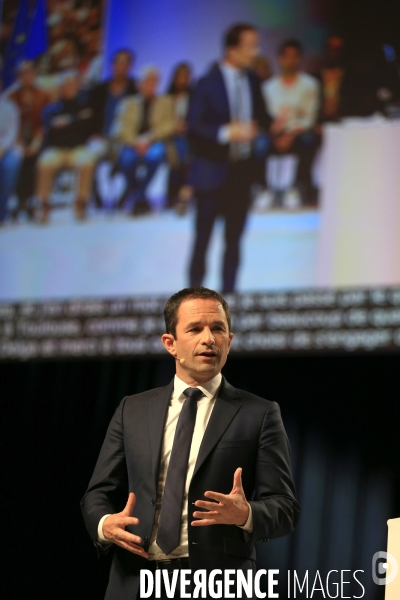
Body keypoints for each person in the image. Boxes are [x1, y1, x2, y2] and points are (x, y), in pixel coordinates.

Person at [81, 286, 300, 600]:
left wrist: (246, 514)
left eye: (218, 329)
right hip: (135, 581)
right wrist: (105, 524)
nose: (208, 338)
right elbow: (97, 493)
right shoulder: (133, 409)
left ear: (230, 341)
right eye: (195, 329)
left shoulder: (260, 413)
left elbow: (286, 507)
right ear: (170, 343)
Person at [187, 23, 271, 294]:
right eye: (251, 46)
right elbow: (194, 124)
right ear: (232, 50)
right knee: (203, 241)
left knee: (234, 241)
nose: (256, 51)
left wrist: (273, 124)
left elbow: (262, 116)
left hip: (241, 173)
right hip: (211, 172)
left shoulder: (253, 79)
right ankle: (193, 303)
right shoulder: (206, 82)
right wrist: (226, 131)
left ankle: (228, 297)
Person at [262, 39, 319, 207]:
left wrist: (291, 133)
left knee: (309, 141)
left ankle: (296, 187)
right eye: (286, 56)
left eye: (294, 57)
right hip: (274, 131)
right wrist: (276, 133)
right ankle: (265, 187)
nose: (290, 60)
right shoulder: (268, 87)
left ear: (300, 59)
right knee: (258, 144)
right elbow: (266, 115)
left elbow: (309, 117)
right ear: (280, 59)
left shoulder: (309, 85)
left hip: (297, 131)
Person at [36, 71, 97, 223]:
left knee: (87, 161)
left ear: (77, 86)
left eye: (71, 84)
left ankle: (80, 203)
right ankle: (44, 205)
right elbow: (50, 130)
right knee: (45, 162)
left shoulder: (85, 105)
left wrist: (68, 121)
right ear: (60, 88)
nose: (68, 88)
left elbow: (87, 126)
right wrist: (74, 122)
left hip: (78, 149)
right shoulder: (50, 109)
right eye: (65, 85)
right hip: (56, 150)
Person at [114, 66, 176, 215]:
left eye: (153, 81)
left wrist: (149, 138)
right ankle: (140, 197)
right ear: (139, 84)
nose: (149, 84)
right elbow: (120, 127)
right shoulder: (128, 103)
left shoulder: (166, 101)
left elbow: (170, 125)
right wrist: (136, 142)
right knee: (127, 160)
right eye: (146, 81)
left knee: (155, 156)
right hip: (132, 144)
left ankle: (137, 195)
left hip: (155, 142)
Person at [9, 61, 50, 220]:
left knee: (35, 158)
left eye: (30, 73)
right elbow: (9, 123)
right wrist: (18, 141)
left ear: (34, 75)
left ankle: (32, 199)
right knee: (19, 158)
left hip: (39, 139)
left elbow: (47, 122)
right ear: (19, 77)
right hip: (17, 138)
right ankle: (20, 201)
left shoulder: (44, 95)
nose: (27, 77)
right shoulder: (11, 97)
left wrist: (37, 141)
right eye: (23, 74)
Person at [165, 62, 193, 209]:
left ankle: (181, 194)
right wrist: (173, 127)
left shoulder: (194, 96)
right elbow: (161, 120)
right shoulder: (167, 97)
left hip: (189, 135)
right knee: (178, 151)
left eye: (185, 75)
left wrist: (186, 126)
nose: (182, 79)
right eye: (179, 75)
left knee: (185, 151)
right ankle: (178, 194)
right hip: (169, 136)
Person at [0, 77, 22, 225]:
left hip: (6, 149)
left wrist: (2, 148)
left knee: (10, 165)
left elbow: (12, 132)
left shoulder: (10, 106)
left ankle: (2, 212)